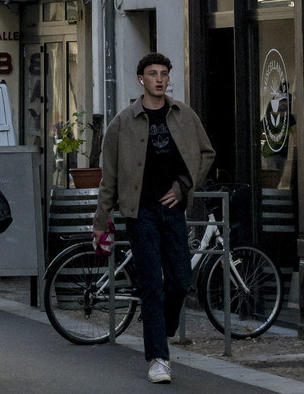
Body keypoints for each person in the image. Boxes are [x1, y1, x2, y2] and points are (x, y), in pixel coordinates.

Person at [93, 51, 215, 386]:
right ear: (141, 79)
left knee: (178, 280)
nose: (159, 79)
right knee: (151, 284)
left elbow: (207, 153)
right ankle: (158, 358)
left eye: (164, 73)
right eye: (153, 73)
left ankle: (164, 325)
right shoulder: (123, 122)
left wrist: (184, 186)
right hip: (140, 212)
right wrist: (101, 222)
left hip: (173, 210)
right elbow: (110, 177)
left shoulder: (182, 114)